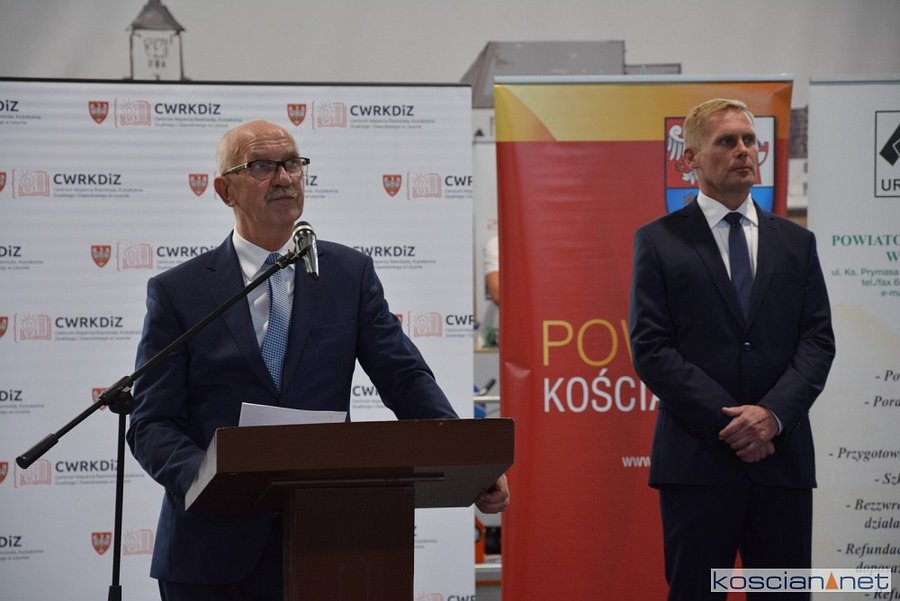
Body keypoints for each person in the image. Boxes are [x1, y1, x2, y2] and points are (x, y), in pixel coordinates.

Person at [126, 119, 509, 600]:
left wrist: (468, 461)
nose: (284, 178)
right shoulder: (179, 291)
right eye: (262, 166)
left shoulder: (348, 274)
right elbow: (151, 423)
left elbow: (404, 375)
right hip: (211, 550)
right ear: (225, 191)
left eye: (292, 164)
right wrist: (208, 480)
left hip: (330, 543)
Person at [628, 99, 835, 600]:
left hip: (781, 461)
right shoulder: (658, 242)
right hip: (697, 464)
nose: (743, 150)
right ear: (690, 158)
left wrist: (772, 416)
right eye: (726, 141)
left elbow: (817, 341)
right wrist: (736, 424)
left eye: (748, 140)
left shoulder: (797, 243)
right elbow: (651, 348)